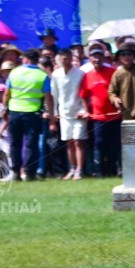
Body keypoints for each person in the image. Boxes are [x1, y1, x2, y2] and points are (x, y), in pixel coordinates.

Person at [3, 48, 53, 181]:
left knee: (15, 143)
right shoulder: (42, 75)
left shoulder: (14, 72)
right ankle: (30, 173)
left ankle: (15, 172)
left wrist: (4, 109)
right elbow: (48, 97)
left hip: (14, 111)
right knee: (31, 144)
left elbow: (7, 93)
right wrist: (51, 114)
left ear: (25, 59)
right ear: (37, 60)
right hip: (32, 113)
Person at [79, 45, 120, 177]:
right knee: (99, 145)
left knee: (115, 144)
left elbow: (120, 91)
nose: (96, 59)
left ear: (103, 58)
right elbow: (83, 95)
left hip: (115, 116)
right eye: (94, 56)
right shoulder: (87, 76)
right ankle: (99, 171)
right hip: (98, 117)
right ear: (90, 59)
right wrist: (87, 111)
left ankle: (116, 170)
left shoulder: (113, 72)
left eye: (99, 56)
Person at [51, 48, 86, 180]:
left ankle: (79, 170)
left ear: (71, 58)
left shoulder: (80, 73)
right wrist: (54, 113)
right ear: (59, 59)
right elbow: (54, 95)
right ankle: (72, 168)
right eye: (63, 58)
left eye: (67, 58)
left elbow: (84, 94)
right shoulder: (56, 74)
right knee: (69, 142)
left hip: (78, 113)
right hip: (64, 114)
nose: (65, 61)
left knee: (78, 141)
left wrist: (84, 110)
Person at [108, 41, 135, 121]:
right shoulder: (118, 73)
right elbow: (111, 92)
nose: (126, 57)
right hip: (126, 112)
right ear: (119, 58)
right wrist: (115, 99)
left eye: (129, 54)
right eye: (123, 55)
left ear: (134, 56)